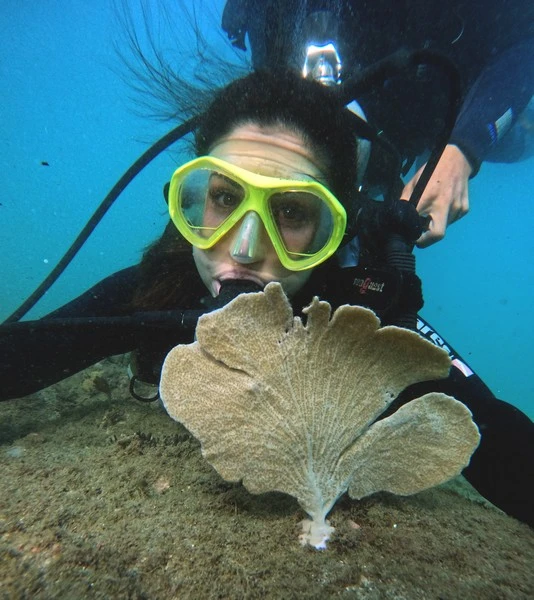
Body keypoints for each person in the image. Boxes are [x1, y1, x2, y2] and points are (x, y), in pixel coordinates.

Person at [1, 71, 532, 529]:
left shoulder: (359, 315)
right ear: (191, 202)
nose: (244, 248)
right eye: (225, 198)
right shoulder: (159, 285)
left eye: (292, 212)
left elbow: (496, 437)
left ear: (333, 233)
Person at [221, 0, 534, 246]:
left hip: (437, 107)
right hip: (325, 84)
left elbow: (523, 45)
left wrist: (463, 150)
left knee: (508, 136)